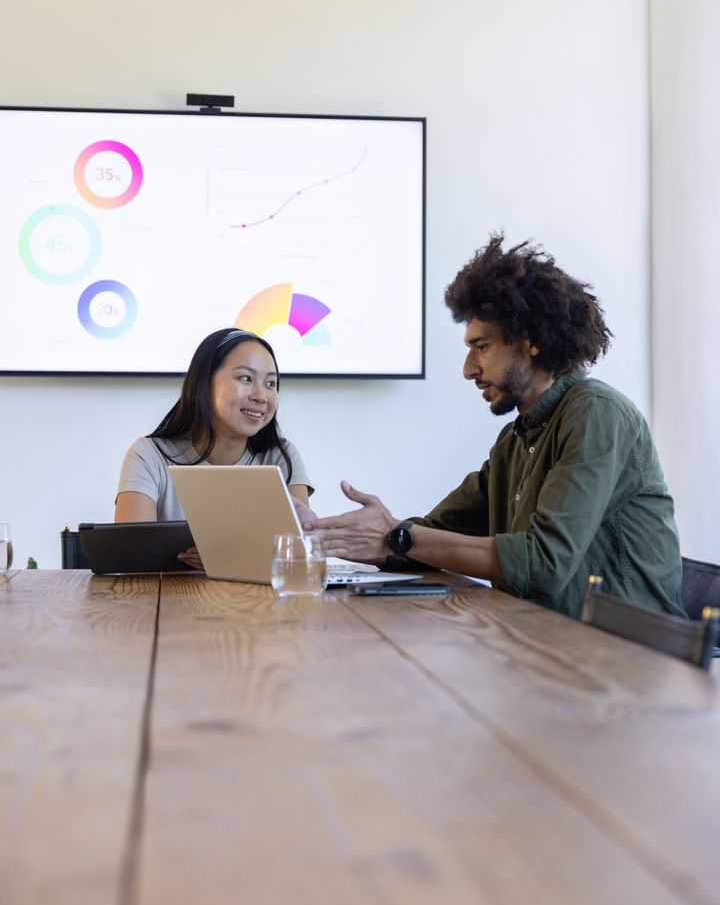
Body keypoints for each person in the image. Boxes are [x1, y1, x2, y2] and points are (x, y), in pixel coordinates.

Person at [304, 234, 685, 619]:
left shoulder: (596, 414)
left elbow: (543, 563)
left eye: (481, 347)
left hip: (626, 659)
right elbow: (426, 535)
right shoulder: (515, 439)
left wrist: (396, 537)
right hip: (542, 644)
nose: (468, 369)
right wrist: (345, 538)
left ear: (531, 341)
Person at [116, 327, 313, 567]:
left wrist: (232, 559)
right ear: (204, 383)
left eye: (271, 383)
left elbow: (299, 559)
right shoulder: (148, 455)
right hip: (168, 601)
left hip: (259, 603)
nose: (261, 396)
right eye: (246, 378)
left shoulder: (281, 456)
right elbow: (132, 559)